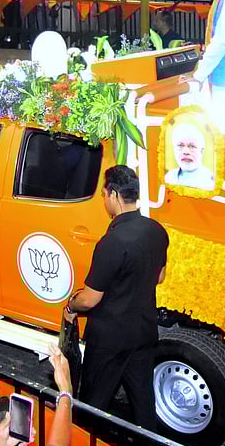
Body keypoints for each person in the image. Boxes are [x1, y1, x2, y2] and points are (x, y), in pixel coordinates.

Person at [65, 166, 167, 431]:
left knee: (92, 406)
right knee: (143, 403)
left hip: (110, 339)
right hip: (144, 332)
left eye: (104, 194)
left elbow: (90, 300)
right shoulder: (157, 230)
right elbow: (159, 277)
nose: (104, 200)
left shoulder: (112, 242)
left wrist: (71, 304)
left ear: (114, 195)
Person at [164, 122, 215, 191]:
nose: (186, 152)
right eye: (180, 145)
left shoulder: (212, 182)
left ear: (202, 151)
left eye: (192, 146)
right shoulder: (168, 178)